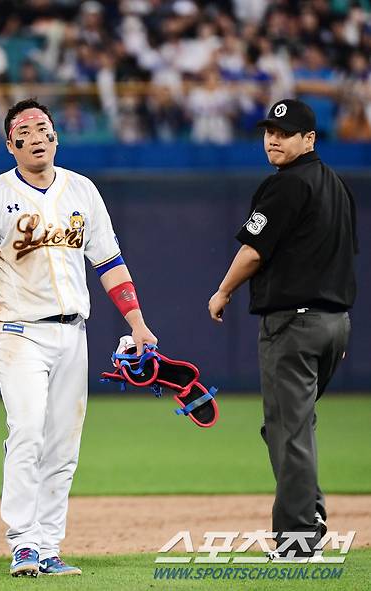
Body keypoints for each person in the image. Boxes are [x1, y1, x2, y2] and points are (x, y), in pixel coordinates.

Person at [0, 98, 157, 577]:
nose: (37, 136)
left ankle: (48, 546)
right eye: (24, 131)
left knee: (63, 444)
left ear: (56, 136)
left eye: (44, 127)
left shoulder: (82, 191)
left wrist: (137, 321)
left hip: (73, 333)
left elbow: (109, 263)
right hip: (17, 331)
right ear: (10, 145)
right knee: (26, 431)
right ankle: (23, 544)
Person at [208, 99, 358, 560]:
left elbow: (253, 251)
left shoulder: (285, 186)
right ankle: (308, 515)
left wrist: (223, 291)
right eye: (269, 131)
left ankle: (298, 539)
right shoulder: (337, 186)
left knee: (287, 430)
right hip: (334, 324)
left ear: (309, 139)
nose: (273, 139)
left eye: (285, 132)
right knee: (292, 428)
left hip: (294, 324)